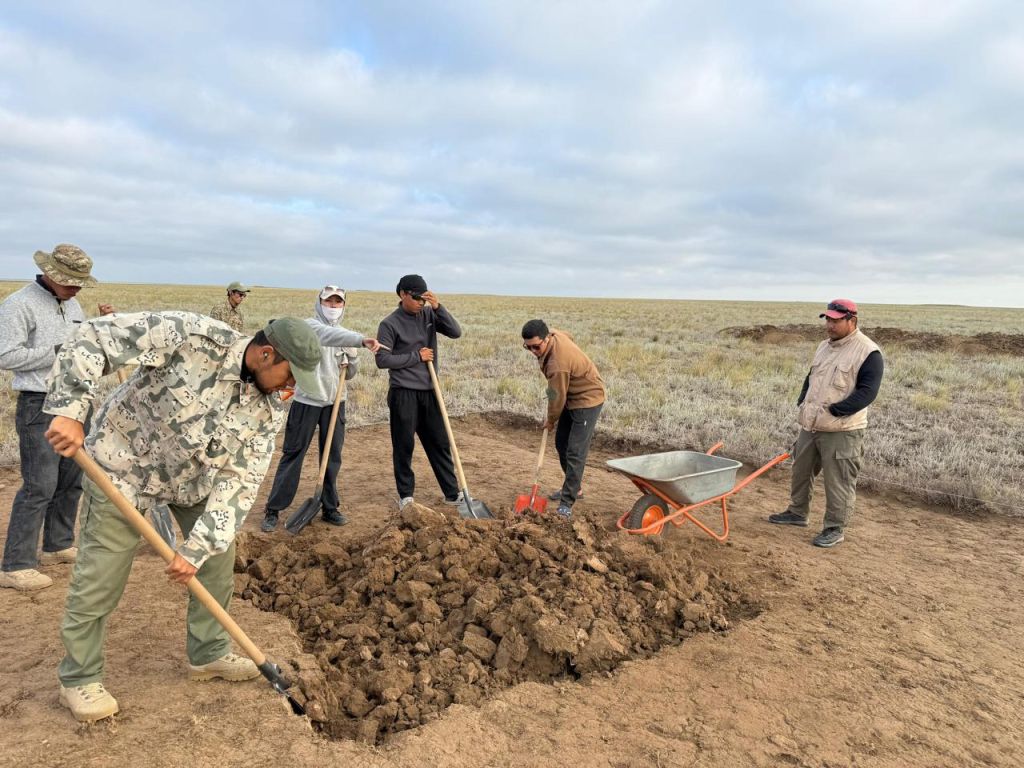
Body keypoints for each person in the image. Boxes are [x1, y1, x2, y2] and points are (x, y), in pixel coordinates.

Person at [43, 312, 321, 722]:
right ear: (266, 354)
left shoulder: (270, 407)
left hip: (195, 481)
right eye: (290, 376)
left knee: (217, 559)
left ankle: (207, 655)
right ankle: (79, 677)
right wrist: (69, 409)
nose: (291, 388)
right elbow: (95, 335)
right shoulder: (192, 337)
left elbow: (241, 479)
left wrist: (198, 548)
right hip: (123, 468)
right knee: (100, 576)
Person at [0, 244, 114, 591]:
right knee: (40, 485)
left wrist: (99, 327)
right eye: (70, 281)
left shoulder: (74, 303)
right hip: (41, 404)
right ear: (50, 274)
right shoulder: (19, 304)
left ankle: (58, 544)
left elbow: (77, 342)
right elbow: (6, 355)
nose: (77, 288)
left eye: (80, 282)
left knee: (71, 480)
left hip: (77, 402)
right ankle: (16, 565)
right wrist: (55, 353)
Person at [260, 286, 383, 531]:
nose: (333, 307)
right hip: (307, 401)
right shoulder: (309, 327)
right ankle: (273, 510)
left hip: (335, 403)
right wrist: (358, 341)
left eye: (338, 303)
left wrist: (353, 358)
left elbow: (349, 376)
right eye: (329, 302)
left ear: (343, 306)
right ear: (320, 303)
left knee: (332, 458)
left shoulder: (346, 337)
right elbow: (327, 335)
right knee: (293, 453)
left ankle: (329, 507)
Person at [769, 299, 884, 548]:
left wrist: (837, 410)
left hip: (842, 430)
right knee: (801, 471)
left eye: (835, 320)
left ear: (851, 320)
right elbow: (811, 378)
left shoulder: (868, 352)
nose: (829, 325)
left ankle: (834, 528)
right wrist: (803, 402)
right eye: (828, 320)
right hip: (811, 424)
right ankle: (797, 513)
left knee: (839, 481)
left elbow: (868, 392)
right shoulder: (823, 346)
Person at [375, 275, 463, 510]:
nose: (420, 303)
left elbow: (456, 332)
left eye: (424, 298)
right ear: (403, 294)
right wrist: (417, 357)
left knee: (439, 443)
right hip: (403, 393)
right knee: (404, 445)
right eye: (416, 298)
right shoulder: (389, 324)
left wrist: (438, 307)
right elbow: (382, 360)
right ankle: (406, 495)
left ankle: (452, 493)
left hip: (429, 391)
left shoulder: (429, 314)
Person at [521, 319, 605, 519]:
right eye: (528, 347)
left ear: (547, 338)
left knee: (575, 451)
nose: (533, 351)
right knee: (561, 443)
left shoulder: (557, 365)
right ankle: (575, 488)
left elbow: (556, 397)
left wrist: (550, 421)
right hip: (569, 394)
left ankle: (567, 502)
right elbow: (569, 336)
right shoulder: (557, 334)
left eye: (536, 346)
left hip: (587, 399)